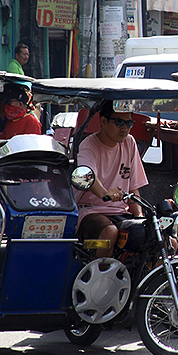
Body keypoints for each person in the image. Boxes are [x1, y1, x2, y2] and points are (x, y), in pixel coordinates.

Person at [74, 103, 147, 258]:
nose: (125, 128)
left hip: (120, 213)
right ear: (103, 122)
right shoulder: (89, 145)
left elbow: (134, 189)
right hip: (90, 211)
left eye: (129, 123)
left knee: (154, 236)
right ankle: (101, 275)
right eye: (119, 123)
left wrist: (139, 218)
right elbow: (89, 177)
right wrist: (106, 194)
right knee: (110, 232)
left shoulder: (130, 142)